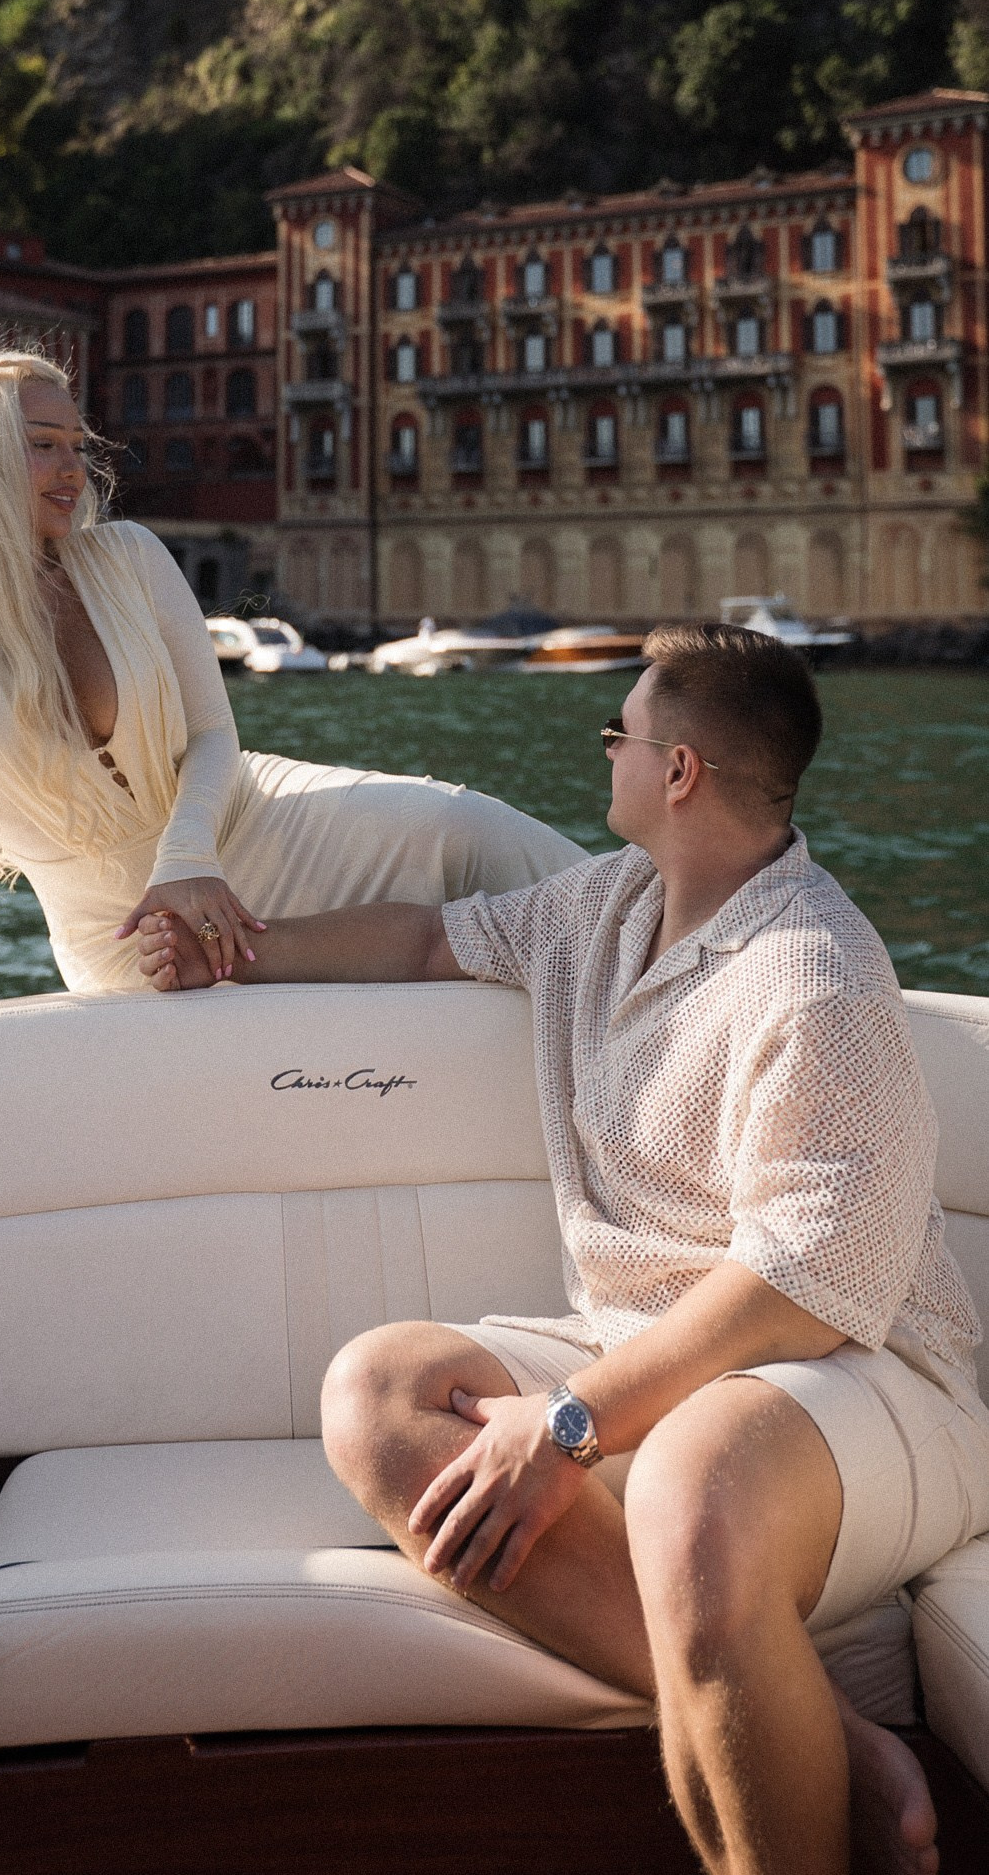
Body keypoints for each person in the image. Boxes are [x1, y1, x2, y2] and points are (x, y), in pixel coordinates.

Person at [136, 623, 989, 1875]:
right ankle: (840, 1738)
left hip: (877, 1373)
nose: (608, 754)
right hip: (652, 1350)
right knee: (379, 1397)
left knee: (692, 1484)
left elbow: (800, 1292)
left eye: (621, 734)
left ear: (680, 771)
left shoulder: (816, 974)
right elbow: (427, 939)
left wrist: (572, 1424)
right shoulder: (605, 906)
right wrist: (233, 950)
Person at [0, 348, 581, 1036]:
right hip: (120, 936)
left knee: (469, 833)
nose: (73, 467)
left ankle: (672, 934)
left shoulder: (132, 557)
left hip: (246, 822)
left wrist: (188, 858)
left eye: (78, 443)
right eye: (44, 444)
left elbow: (215, 734)